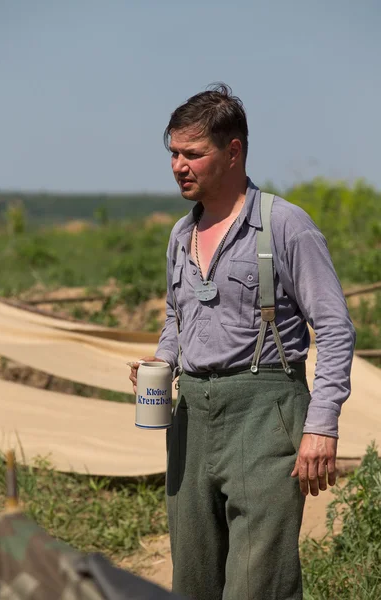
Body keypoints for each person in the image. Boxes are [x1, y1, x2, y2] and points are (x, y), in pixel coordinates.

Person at [129, 83, 355, 600]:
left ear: (233, 151)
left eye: (193, 153)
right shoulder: (179, 235)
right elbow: (175, 316)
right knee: (194, 580)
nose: (178, 166)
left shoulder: (285, 225)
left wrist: (321, 426)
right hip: (191, 421)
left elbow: (336, 329)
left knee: (259, 585)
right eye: (173, 154)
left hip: (266, 412)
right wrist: (162, 359)